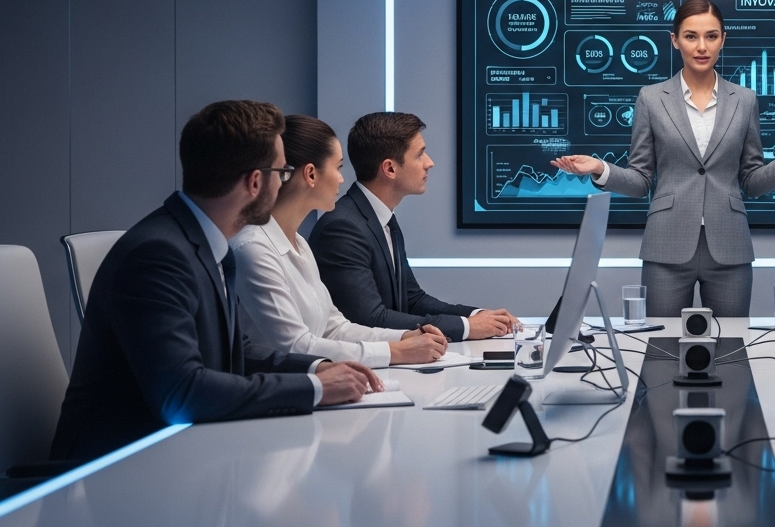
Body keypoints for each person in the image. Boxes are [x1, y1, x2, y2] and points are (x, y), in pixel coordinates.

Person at [51, 101, 381, 463]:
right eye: (281, 171)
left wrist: (317, 367)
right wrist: (314, 388)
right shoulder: (158, 255)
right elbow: (183, 392)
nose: (284, 181)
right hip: (120, 472)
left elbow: (236, 351)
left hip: (184, 456)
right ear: (256, 181)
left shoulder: (205, 242)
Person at [550, 0, 775, 317]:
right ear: (675, 40)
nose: (702, 46)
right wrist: (599, 168)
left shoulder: (745, 101)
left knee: (731, 351)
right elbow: (640, 182)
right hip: (666, 245)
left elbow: (752, 182)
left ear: (723, 39)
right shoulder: (651, 99)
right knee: (661, 351)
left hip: (730, 246)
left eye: (711, 36)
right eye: (691, 36)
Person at [232, 115, 450, 367]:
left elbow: (334, 327)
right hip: (284, 395)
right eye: (337, 168)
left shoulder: (300, 244)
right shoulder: (253, 248)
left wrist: (404, 337)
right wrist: (397, 352)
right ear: (311, 174)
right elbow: (296, 346)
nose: (342, 179)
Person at [310, 112, 519, 340]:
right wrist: (467, 327)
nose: (429, 162)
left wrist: (477, 316)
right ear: (390, 169)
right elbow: (370, 319)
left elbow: (412, 299)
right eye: (419, 154)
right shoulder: (342, 228)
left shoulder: (381, 217)